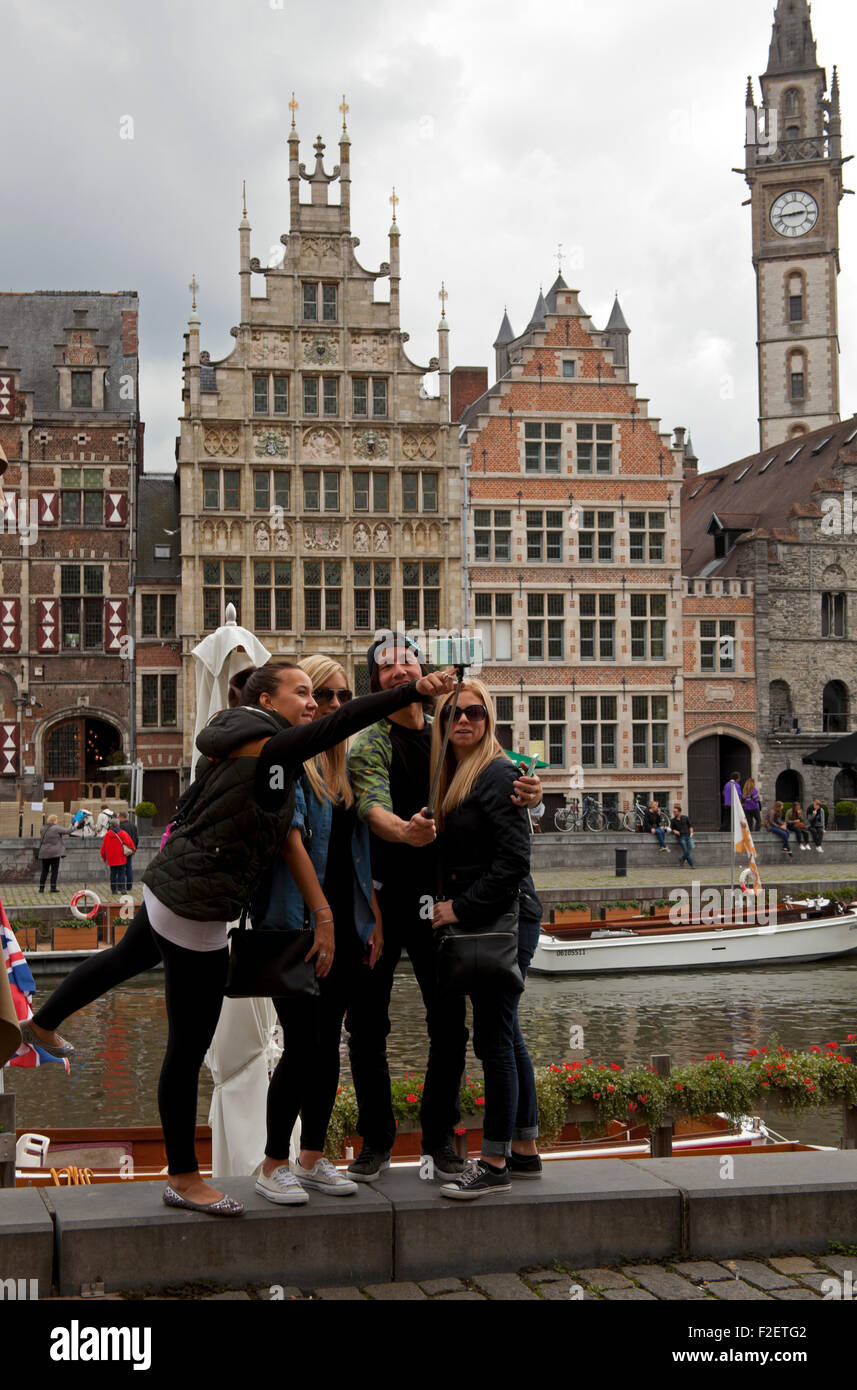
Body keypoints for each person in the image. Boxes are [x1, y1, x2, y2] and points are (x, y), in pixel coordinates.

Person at [29, 660, 455, 1216]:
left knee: (122, 961)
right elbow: (343, 722)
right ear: (269, 701)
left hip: (174, 885)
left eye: (315, 693)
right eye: (302, 693)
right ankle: (184, 1178)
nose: (312, 702)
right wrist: (412, 689)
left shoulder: (246, 740)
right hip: (196, 906)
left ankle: (39, 1023)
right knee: (185, 1048)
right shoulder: (270, 747)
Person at [346, 636, 543, 1183]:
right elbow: (371, 806)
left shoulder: (444, 729)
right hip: (382, 902)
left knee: (451, 1027)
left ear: (424, 669)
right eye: (384, 666)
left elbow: (493, 765)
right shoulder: (371, 742)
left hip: (445, 906)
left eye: (406, 660)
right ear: (373, 682)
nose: (397, 670)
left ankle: (441, 1142)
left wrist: (531, 788)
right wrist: (405, 832)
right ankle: (376, 1142)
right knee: (367, 1027)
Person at [250, 654, 382, 1205]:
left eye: (338, 697)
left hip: (345, 928)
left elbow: (359, 853)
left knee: (328, 1047)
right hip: (297, 925)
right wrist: (322, 920)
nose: (328, 705)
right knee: (302, 1046)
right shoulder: (287, 759)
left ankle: (311, 1156)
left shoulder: (342, 767)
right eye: (318, 695)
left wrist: (373, 920)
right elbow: (290, 842)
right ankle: (271, 1162)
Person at [427, 678, 533, 1200]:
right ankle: (524, 1151)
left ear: (489, 719)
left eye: (475, 712)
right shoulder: (456, 774)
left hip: (496, 922)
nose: (464, 720)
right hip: (486, 921)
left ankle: (493, 1163)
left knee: (494, 1041)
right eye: (452, 714)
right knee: (505, 1036)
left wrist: (457, 907)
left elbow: (514, 862)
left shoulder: (495, 774)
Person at [37, 815, 73, 893]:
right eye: (56, 820)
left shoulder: (43, 828)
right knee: (54, 871)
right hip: (54, 853)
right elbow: (68, 831)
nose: (57, 821)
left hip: (44, 852)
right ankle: (53, 887)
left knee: (44, 871)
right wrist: (75, 825)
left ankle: (41, 888)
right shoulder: (56, 828)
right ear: (53, 821)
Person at [100, 821, 134, 894]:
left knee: (113, 874)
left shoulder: (107, 835)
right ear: (118, 825)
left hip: (111, 859)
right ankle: (122, 889)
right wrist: (133, 850)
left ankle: (114, 890)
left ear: (111, 825)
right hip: (121, 857)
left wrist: (104, 857)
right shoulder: (123, 833)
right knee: (122, 873)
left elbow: (103, 848)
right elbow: (129, 843)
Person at [118, 811, 139, 887]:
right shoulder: (133, 825)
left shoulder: (121, 827)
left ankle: (121, 886)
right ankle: (129, 886)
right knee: (129, 867)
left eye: (118, 817)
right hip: (131, 850)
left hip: (123, 850)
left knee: (122, 868)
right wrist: (134, 848)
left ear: (121, 817)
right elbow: (136, 838)